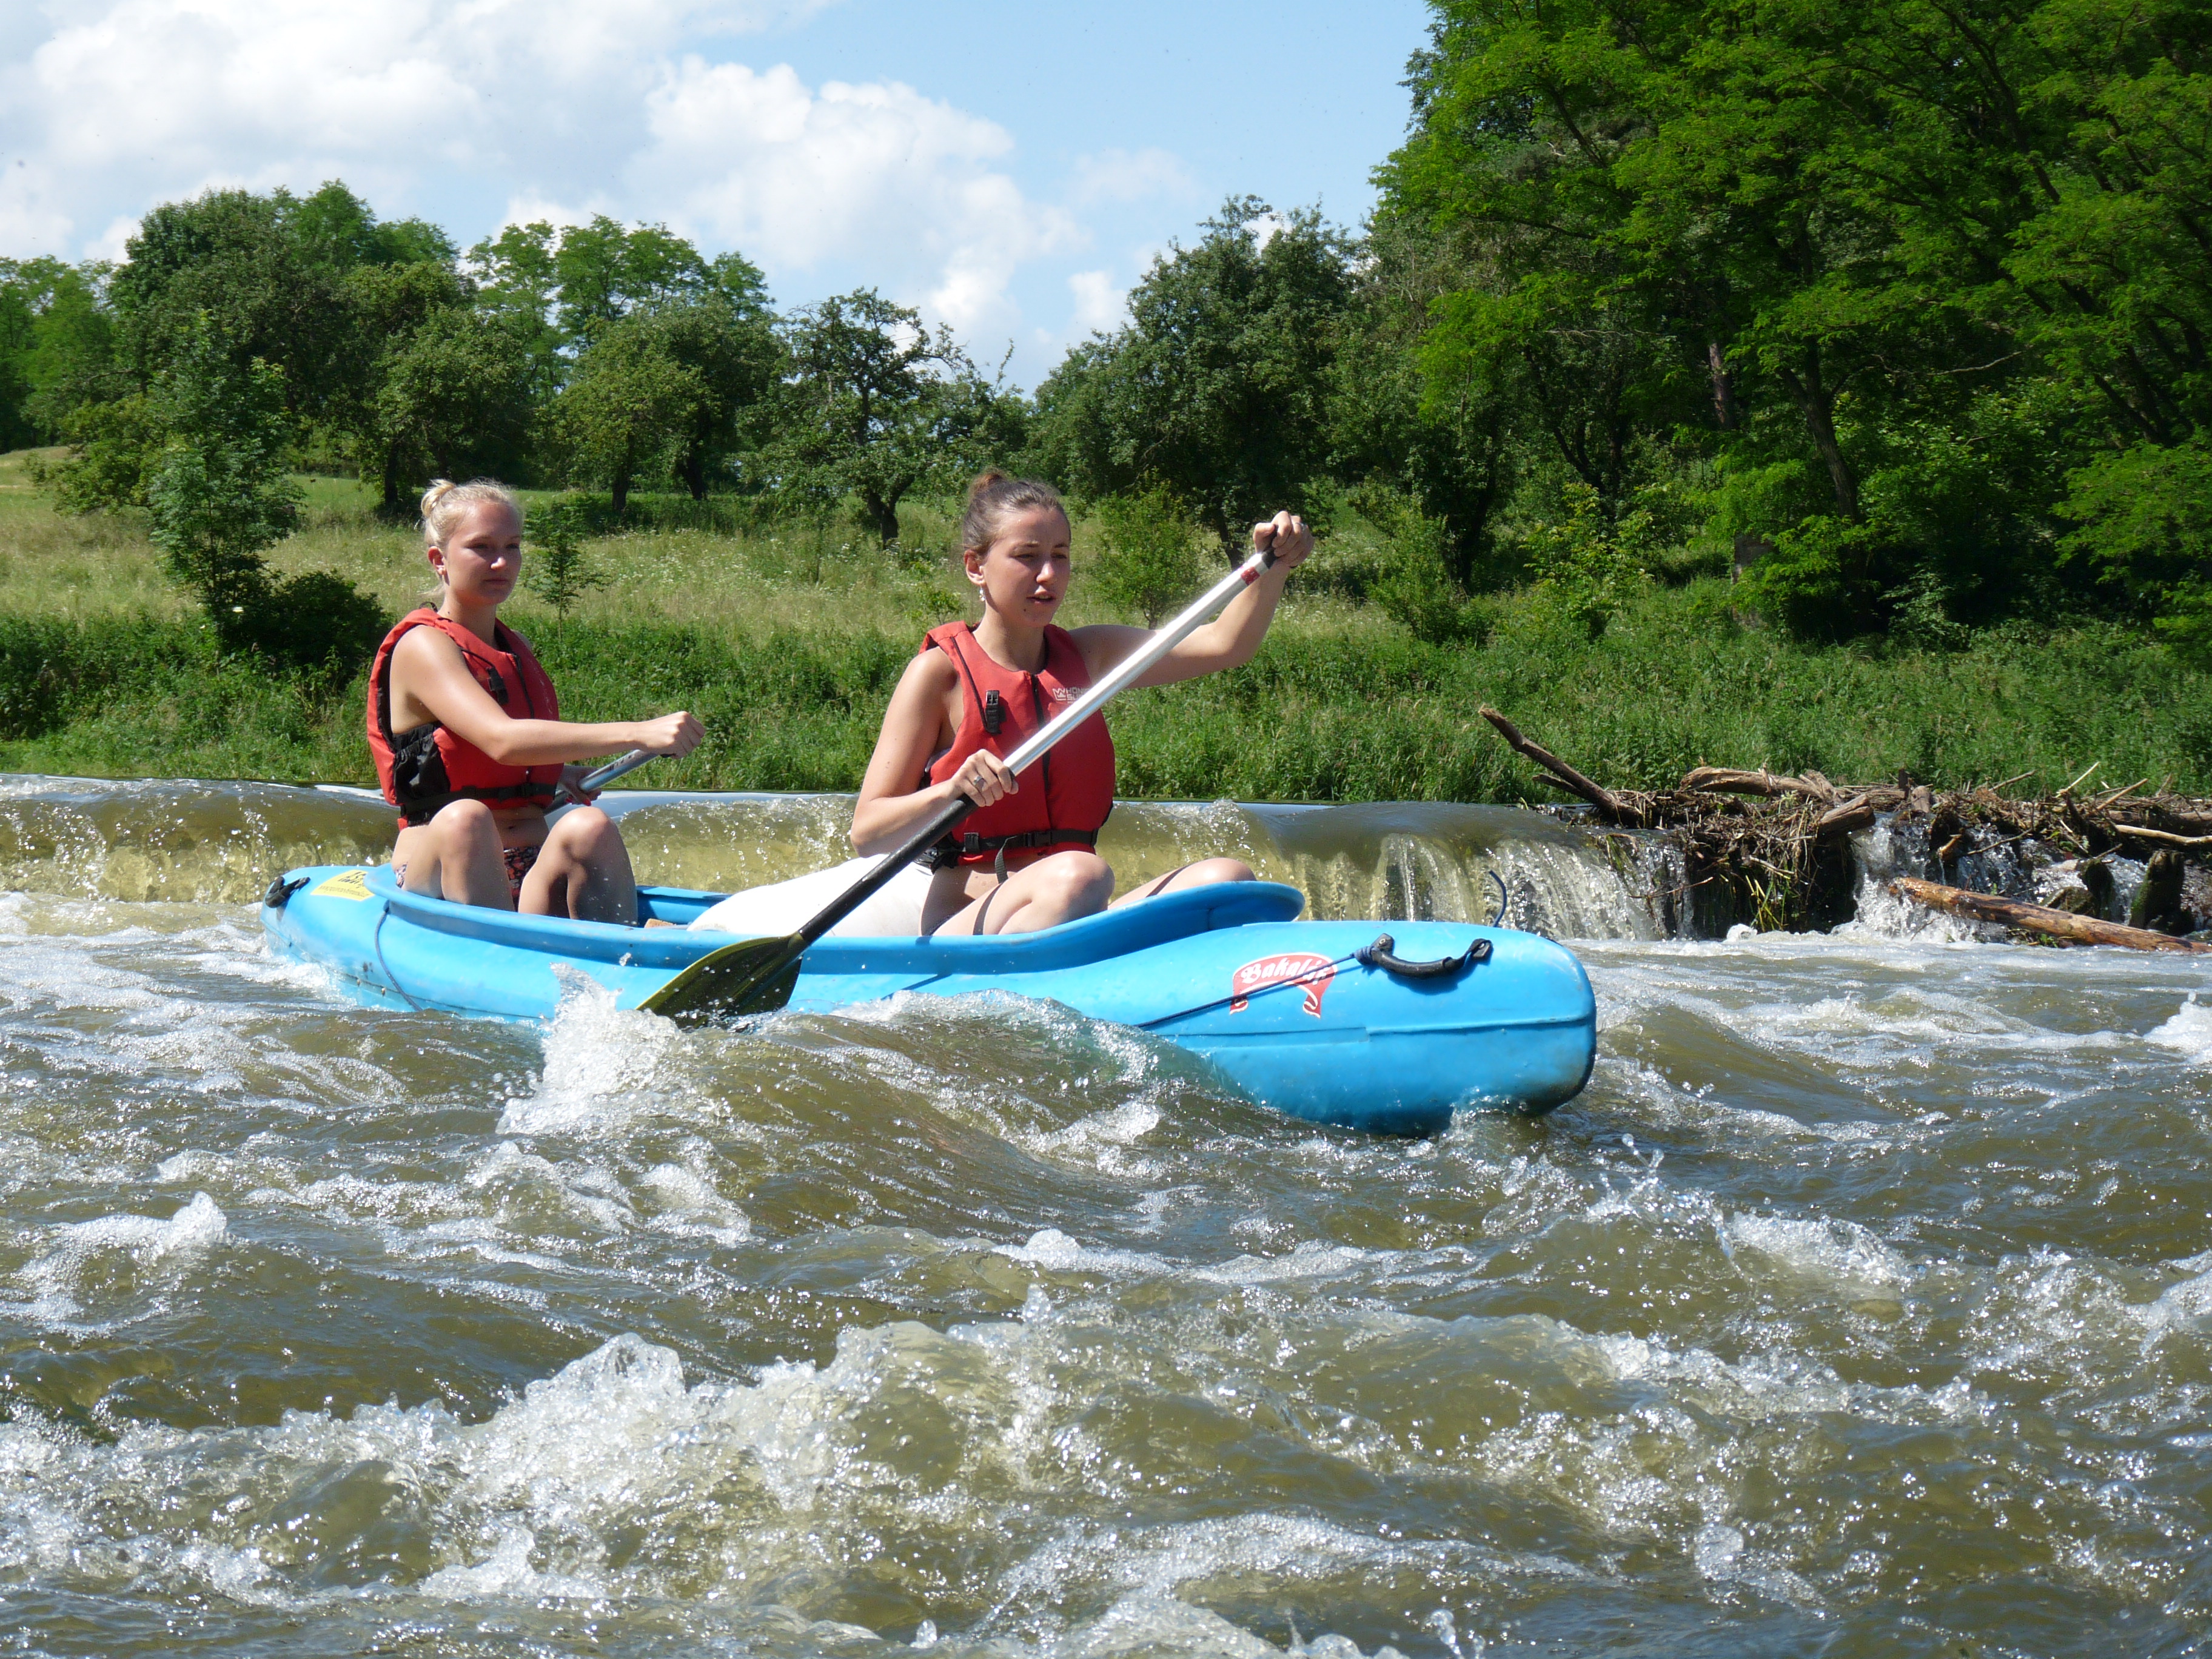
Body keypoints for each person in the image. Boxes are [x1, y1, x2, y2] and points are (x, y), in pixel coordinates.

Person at [851, 470, 1312, 936]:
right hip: (970, 927)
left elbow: (1225, 644)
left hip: (1076, 911)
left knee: (1226, 879)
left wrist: (1274, 567)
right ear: (976, 567)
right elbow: (867, 834)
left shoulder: (1090, 655)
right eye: (1026, 557)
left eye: (1060, 556)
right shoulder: (939, 674)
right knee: (1079, 874)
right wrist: (948, 792)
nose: (1047, 574)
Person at [367, 478, 703, 922]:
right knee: (466, 817)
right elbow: (501, 740)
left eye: (513, 545)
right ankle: (495, 963)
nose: (502, 561)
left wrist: (555, 772)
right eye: (481, 547)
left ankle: (618, 960)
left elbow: (476, 751)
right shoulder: (424, 646)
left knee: (591, 826)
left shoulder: (512, 645)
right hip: (442, 861)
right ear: (440, 560)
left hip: (529, 860)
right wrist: (638, 733)